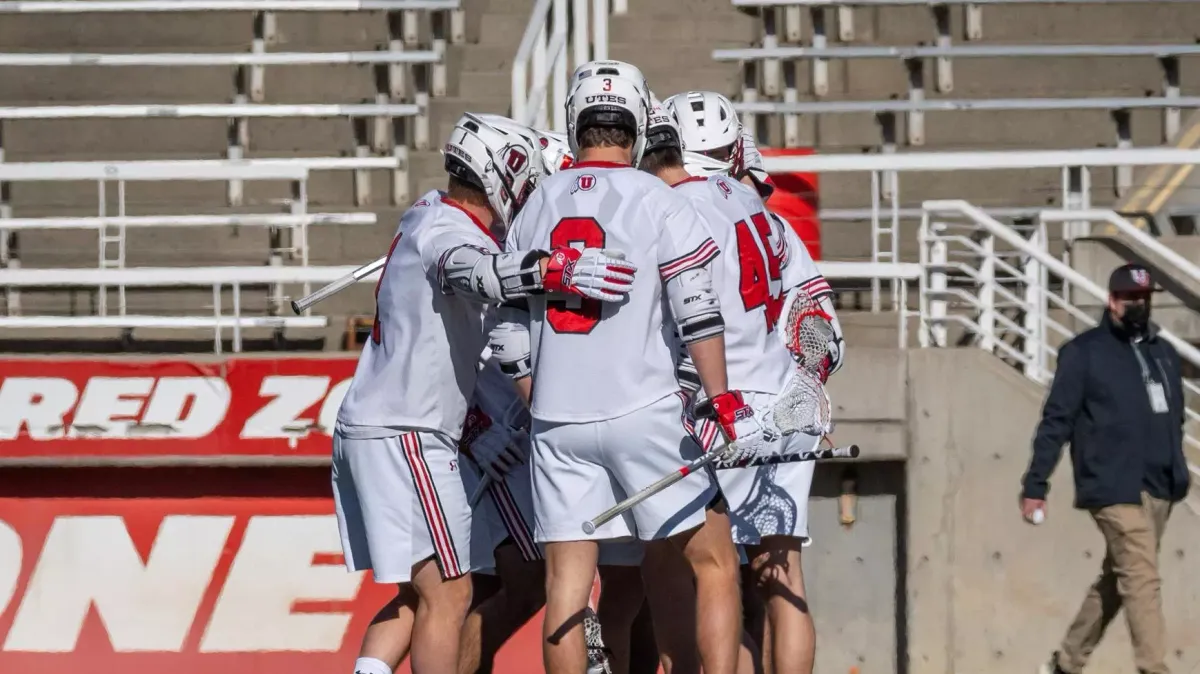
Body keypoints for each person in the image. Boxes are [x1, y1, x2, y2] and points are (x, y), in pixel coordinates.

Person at [330, 112, 639, 674]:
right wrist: (555, 267)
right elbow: (476, 270)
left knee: (424, 595)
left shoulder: (426, 210)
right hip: (411, 433)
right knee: (449, 595)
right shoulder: (449, 232)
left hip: (390, 425)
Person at [493, 59, 765, 674]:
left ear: (575, 122)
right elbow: (698, 312)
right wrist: (721, 400)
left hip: (558, 420)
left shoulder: (538, 201)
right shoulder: (655, 198)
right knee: (712, 561)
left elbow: (506, 328)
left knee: (567, 586)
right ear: (640, 122)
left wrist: (540, 398)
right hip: (644, 411)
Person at [664, 90, 843, 674]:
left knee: (705, 576)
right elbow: (820, 324)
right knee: (783, 580)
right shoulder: (768, 214)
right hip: (783, 401)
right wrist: (805, 384)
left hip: (711, 408)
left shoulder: (667, 209)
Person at [1021, 263, 1191, 674]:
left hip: (1158, 486)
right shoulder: (1084, 354)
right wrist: (1036, 484)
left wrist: (1177, 472)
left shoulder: (1162, 353)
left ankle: (1065, 662)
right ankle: (1154, 667)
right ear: (1112, 300)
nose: (1138, 305)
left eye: (1144, 299)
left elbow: (1176, 417)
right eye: (1130, 298)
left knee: (1119, 580)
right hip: (1112, 484)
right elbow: (1056, 421)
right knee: (1143, 577)